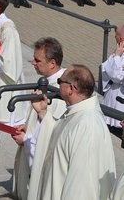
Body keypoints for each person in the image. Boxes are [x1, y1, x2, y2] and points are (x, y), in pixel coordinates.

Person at [36, 65, 116, 200]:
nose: (58, 85)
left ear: (71, 89)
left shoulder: (88, 125)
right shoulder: (77, 113)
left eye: (60, 82)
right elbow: (62, 135)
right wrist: (42, 113)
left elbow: (81, 186)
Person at [12, 37, 66, 200]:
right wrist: (26, 126)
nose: (33, 63)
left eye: (37, 60)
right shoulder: (45, 82)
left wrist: (27, 139)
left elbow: (54, 130)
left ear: (52, 63)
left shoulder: (60, 92)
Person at [101, 25, 124, 136]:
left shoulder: (118, 54)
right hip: (110, 99)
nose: (114, 36)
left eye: (117, 35)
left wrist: (117, 59)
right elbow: (106, 69)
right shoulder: (118, 51)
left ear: (122, 38)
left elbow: (118, 76)